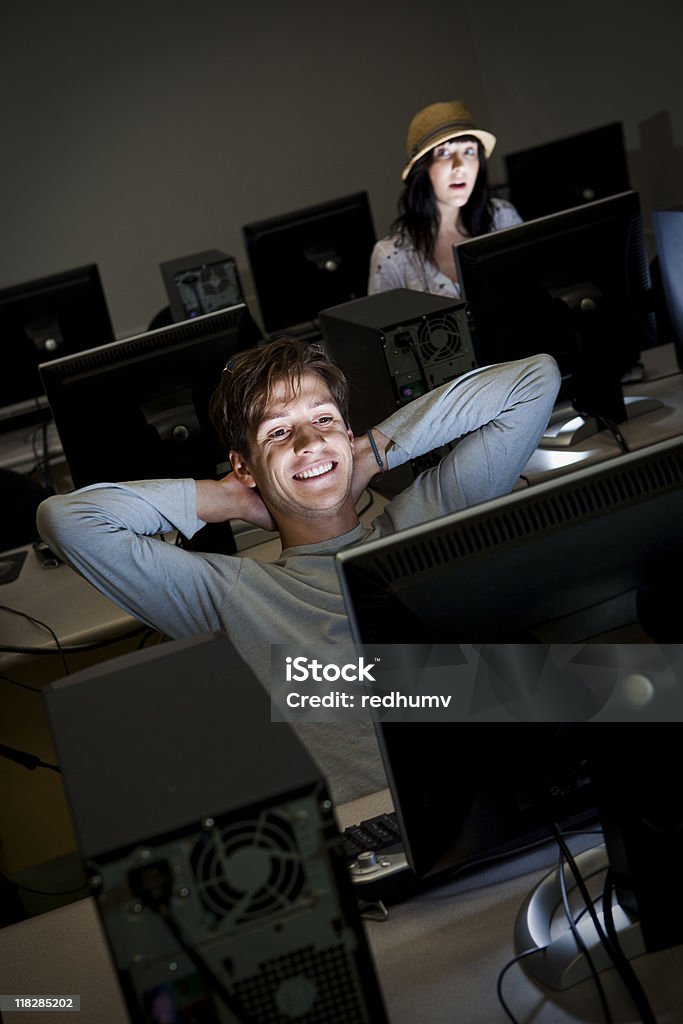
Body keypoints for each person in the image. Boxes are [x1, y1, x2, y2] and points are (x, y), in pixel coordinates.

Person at [37, 339, 560, 802]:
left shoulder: (433, 514)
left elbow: (534, 379)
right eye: (279, 433)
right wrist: (232, 499)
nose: (309, 444)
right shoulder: (231, 596)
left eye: (324, 420)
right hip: (379, 832)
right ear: (243, 465)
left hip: (508, 797)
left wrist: (372, 454)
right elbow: (69, 520)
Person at [368, 100, 522, 298]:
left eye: (469, 151)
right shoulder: (391, 257)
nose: (459, 166)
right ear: (422, 169)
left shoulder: (502, 218)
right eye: (444, 153)